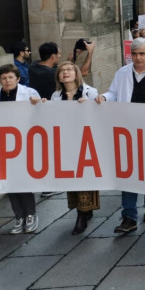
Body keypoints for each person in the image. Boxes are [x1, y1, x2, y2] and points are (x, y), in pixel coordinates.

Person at [97, 38, 145, 234]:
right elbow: (114, 93)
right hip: (128, 131)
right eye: (135, 54)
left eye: (142, 54)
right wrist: (104, 97)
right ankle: (129, 216)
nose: (138, 58)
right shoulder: (122, 73)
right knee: (128, 172)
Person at [49, 61, 100, 234]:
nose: (65, 72)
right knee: (72, 177)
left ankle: (82, 214)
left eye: (69, 69)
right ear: (59, 77)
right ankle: (82, 209)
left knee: (85, 177)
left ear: (76, 73)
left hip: (85, 141)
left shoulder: (89, 92)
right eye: (62, 70)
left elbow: (99, 114)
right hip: (66, 141)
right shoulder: (56, 96)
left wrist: (91, 106)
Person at [0, 64, 41, 234]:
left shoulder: (29, 94)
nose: (7, 81)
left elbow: (41, 115)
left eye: (10, 77)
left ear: (18, 79)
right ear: (0, 80)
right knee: (9, 182)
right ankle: (18, 216)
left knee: (23, 180)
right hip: (2, 147)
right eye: (4, 78)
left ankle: (31, 215)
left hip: (24, 143)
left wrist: (37, 104)